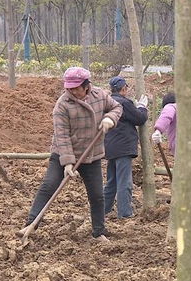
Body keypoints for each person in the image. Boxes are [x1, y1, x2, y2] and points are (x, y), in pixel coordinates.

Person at [23, 67, 122, 242]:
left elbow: (117, 106)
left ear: (86, 85)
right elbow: (61, 135)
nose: (72, 91)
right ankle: (30, 224)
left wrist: (110, 118)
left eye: (76, 87)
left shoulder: (100, 96)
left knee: (97, 195)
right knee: (48, 186)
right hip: (63, 153)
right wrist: (67, 162)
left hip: (91, 155)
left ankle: (98, 232)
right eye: (70, 87)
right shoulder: (63, 104)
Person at [103, 77, 148, 218]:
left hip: (110, 146)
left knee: (112, 181)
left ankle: (103, 211)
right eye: (126, 88)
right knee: (124, 181)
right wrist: (142, 107)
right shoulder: (124, 103)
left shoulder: (107, 103)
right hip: (123, 147)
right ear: (123, 89)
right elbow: (140, 119)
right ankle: (125, 213)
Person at [151, 92, 191, 184]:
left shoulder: (171, 106)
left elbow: (166, 115)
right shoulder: (189, 112)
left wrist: (158, 130)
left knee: (187, 186)